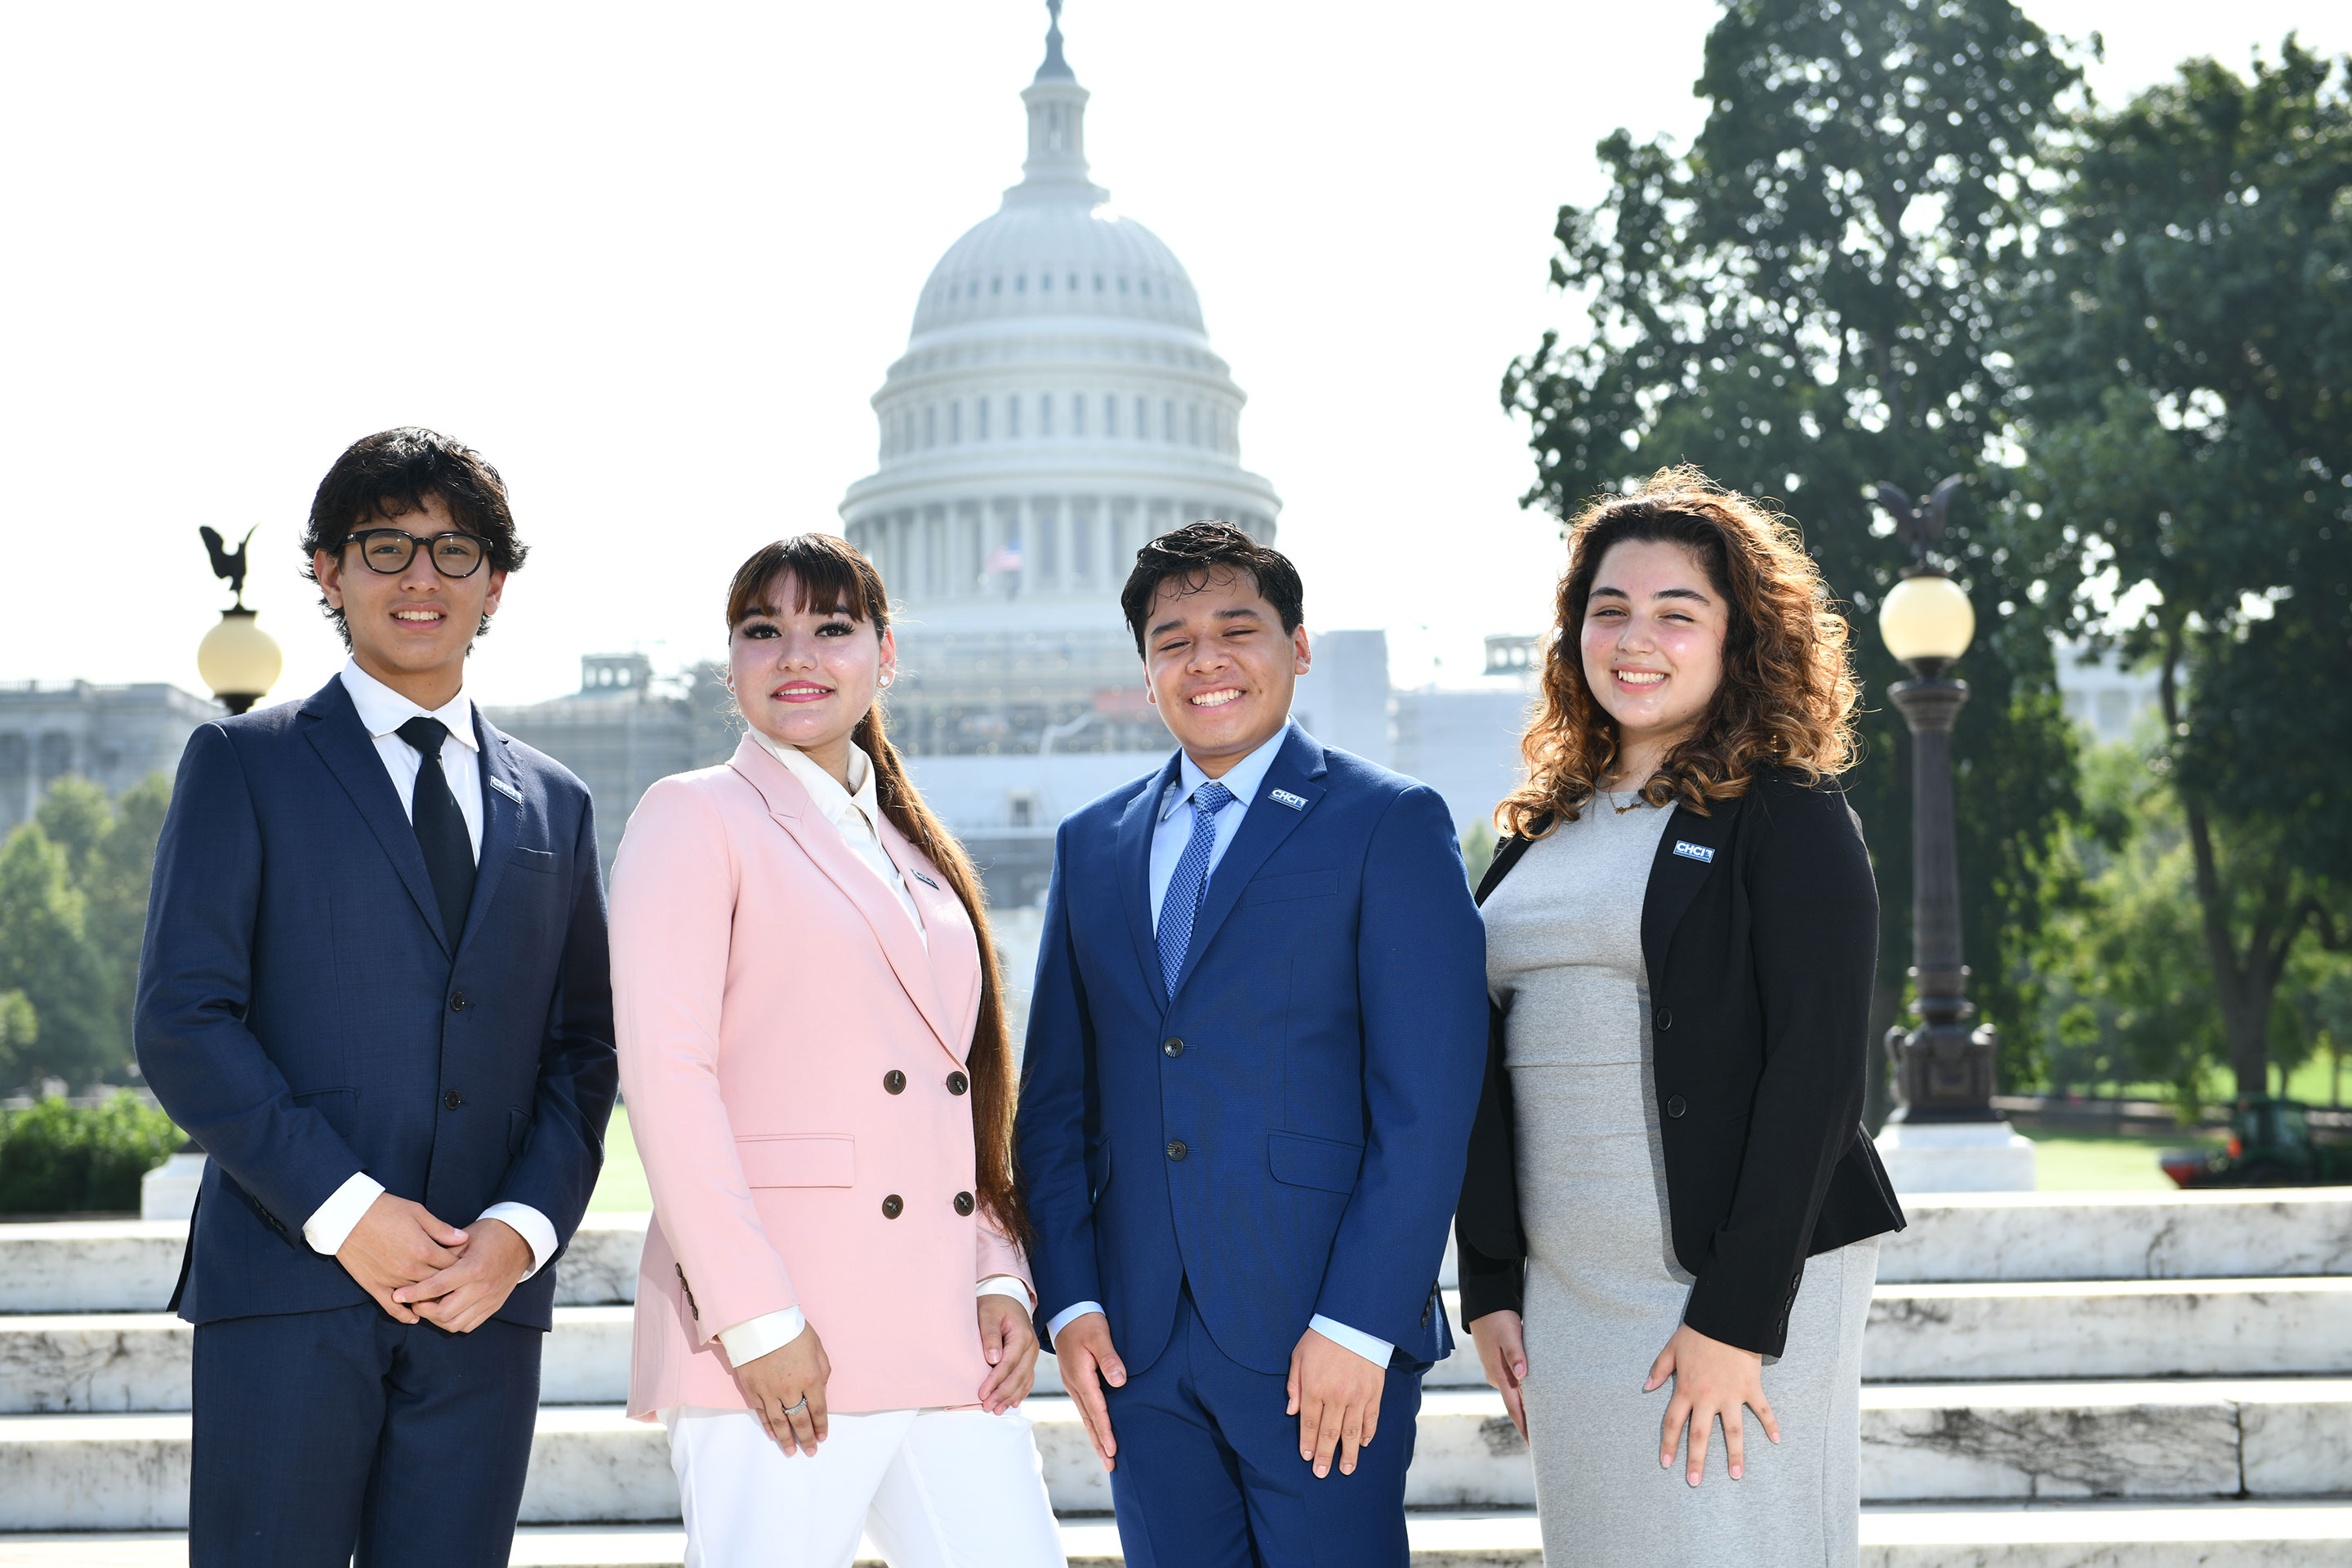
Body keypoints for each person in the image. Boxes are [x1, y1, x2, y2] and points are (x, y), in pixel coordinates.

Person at [136, 427, 617, 1566]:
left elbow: (583, 1054)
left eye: (454, 552)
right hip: (289, 1286)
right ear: (326, 570)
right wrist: (349, 1213)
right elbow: (184, 1022)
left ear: (497, 583)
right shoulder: (242, 765)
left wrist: (518, 1235)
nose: (420, 579)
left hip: (483, 1305)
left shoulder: (559, 803)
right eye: (385, 546)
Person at [1454, 466, 1907, 1566]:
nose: (1635, 638)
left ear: (1736, 638)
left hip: (1735, 1277)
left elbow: (1817, 1075)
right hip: (1569, 1290)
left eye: (1676, 611)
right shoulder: (1541, 829)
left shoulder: (1789, 815)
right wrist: (1494, 1283)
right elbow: (1482, 1059)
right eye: (1608, 610)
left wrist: (1737, 1317)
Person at [1014, 522, 1488, 1567]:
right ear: (1146, 672)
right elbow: (1055, 1099)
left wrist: (1360, 1325)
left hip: (1318, 1334)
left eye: (1239, 629)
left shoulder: (1386, 822)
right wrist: (1075, 1304)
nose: (1206, 661)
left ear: (1299, 646)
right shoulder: (1092, 845)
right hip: (1138, 1346)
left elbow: (1430, 1101)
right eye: (1172, 640)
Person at [610, 534, 1062, 1568]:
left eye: (831, 627)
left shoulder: (915, 844)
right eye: (763, 631)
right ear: (731, 665)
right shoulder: (694, 814)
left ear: (885, 653)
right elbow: (669, 1085)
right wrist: (756, 1322)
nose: (795, 654)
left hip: (941, 1326)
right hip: (779, 1328)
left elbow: (965, 1085)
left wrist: (1000, 1272)